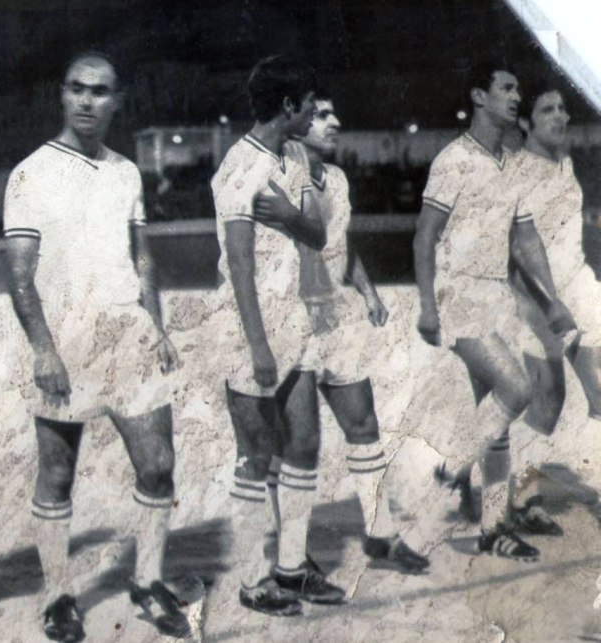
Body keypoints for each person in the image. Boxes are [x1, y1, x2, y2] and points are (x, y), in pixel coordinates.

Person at [3, 51, 187, 641]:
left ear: (118, 99)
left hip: (127, 332)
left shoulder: (127, 172)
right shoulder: (31, 172)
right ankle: (58, 594)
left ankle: (148, 581)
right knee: (58, 473)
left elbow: (142, 257)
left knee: (158, 465)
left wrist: (154, 323)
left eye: (100, 91)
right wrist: (43, 349)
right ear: (62, 94)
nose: (87, 101)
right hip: (65, 335)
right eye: (77, 89)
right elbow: (21, 275)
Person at [413, 60, 576, 562]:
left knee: (500, 423)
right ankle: (454, 466)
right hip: (459, 295)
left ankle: (492, 527)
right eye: (506, 88)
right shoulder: (453, 160)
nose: (515, 96)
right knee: (517, 388)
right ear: (479, 97)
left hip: (497, 297)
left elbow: (526, 242)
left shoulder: (509, 163)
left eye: (517, 88)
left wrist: (553, 301)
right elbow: (424, 236)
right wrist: (426, 305)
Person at [210, 54, 345, 617]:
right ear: (288, 108)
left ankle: (292, 569)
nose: (315, 114)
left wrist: (290, 213)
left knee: (306, 444)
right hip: (249, 324)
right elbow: (239, 266)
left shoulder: (294, 156)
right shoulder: (236, 169)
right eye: (308, 106)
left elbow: (317, 232)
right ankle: (250, 578)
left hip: (294, 320)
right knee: (256, 455)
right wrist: (258, 345)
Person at [296, 93, 430, 573]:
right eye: (323, 115)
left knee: (364, 425)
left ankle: (381, 534)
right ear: (295, 120)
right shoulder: (273, 177)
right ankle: (293, 555)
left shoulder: (336, 178)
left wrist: (368, 293)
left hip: (335, 321)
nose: (336, 122)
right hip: (290, 323)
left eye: (335, 112)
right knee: (297, 445)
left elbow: (341, 246)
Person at [498, 82, 601, 532]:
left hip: (581, 288)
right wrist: (549, 303)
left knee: (599, 389)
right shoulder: (517, 174)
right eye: (547, 111)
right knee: (548, 402)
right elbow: (520, 251)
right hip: (537, 300)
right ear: (526, 122)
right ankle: (507, 491)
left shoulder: (567, 164)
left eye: (563, 109)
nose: (560, 117)